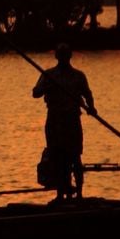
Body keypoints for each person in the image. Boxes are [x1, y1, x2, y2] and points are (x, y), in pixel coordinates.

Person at [32, 42, 96, 201]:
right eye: (60, 55)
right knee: (57, 157)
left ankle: (79, 194)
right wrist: (47, 86)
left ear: (69, 56)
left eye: (65, 55)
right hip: (55, 120)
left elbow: (87, 94)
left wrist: (91, 108)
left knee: (75, 157)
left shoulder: (78, 76)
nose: (63, 58)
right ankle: (61, 193)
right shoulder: (48, 75)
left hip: (72, 120)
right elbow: (35, 93)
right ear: (56, 56)